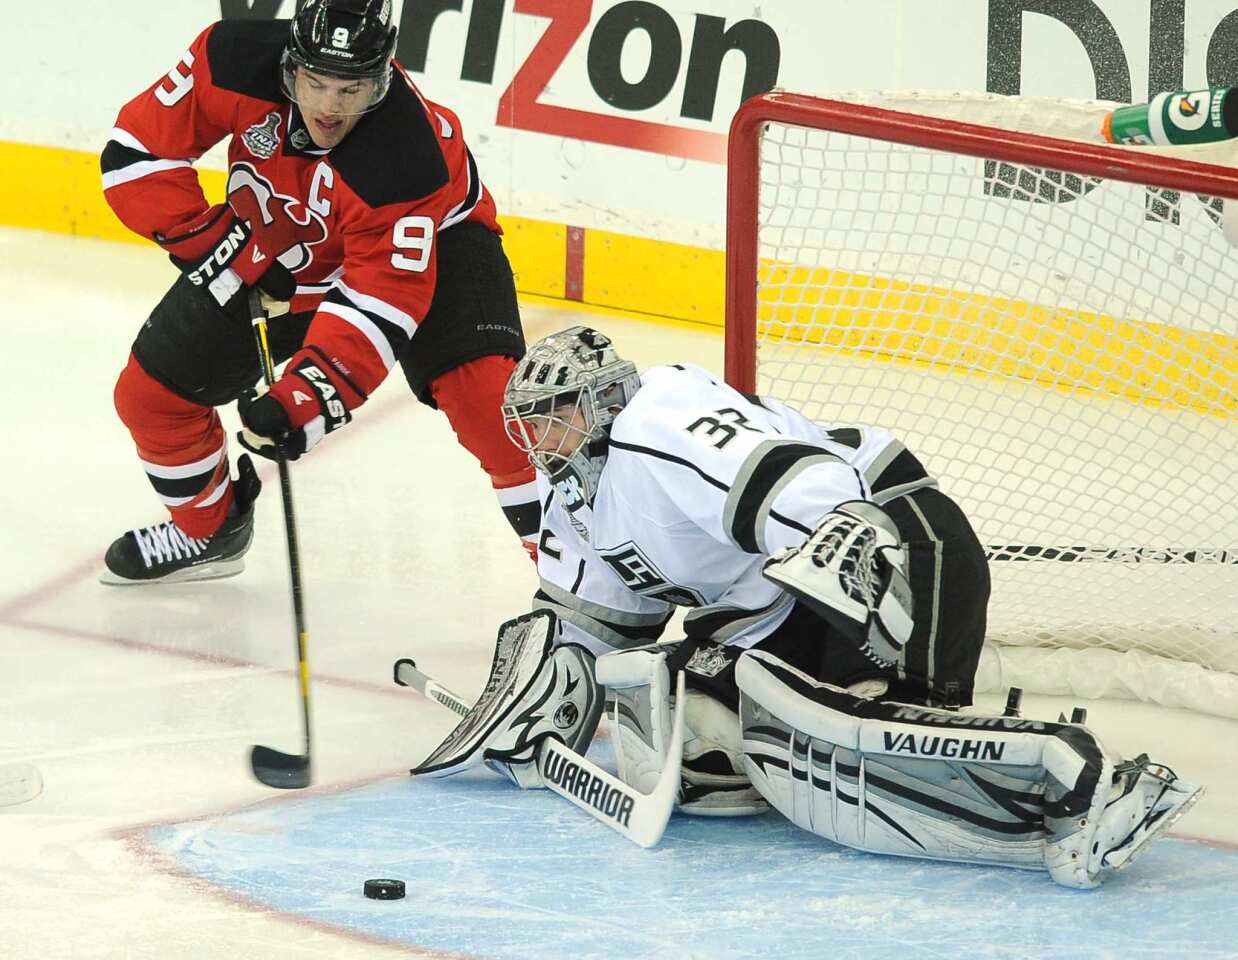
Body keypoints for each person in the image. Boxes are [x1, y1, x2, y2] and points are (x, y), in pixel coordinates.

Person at [412, 325, 1202, 890]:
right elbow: (592, 625)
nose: (542, 437)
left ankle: (1071, 778)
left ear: (605, 396)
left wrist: (839, 555)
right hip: (778, 615)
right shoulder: (573, 497)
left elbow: (803, 484)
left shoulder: (659, 415)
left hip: (899, 535)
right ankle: (871, 735)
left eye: (557, 415)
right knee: (698, 731)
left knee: (865, 698)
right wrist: (534, 705)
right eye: (534, 423)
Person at [99, 0, 538, 584]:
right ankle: (209, 529)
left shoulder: (408, 156)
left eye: (351, 89)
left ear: (381, 78)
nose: (330, 107)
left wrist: (302, 400)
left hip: (439, 247)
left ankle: (584, 586)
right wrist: (213, 244)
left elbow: (380, 305)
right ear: (289, 64)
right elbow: (136, 154)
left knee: (490, 408)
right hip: (280, 248)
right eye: (316, 82)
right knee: (151, 398)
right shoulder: (230, 57)